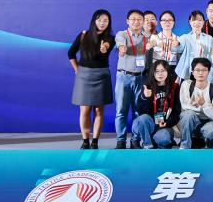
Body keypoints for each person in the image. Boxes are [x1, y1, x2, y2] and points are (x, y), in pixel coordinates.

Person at [69, 9, 115, 149]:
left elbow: (106, 47)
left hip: (101, 76)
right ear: (94, 21)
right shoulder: (83, 35)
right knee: (84, 110)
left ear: (109, 23)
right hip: (84, 76)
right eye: (100, 20)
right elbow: (71, 53)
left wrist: (104, 48)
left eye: (105, 21)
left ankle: (95, 141)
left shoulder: (110, 38)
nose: (102, 23)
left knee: (99, 111)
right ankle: (85, 141)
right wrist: (77, 69)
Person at [113, 9, 147, 149]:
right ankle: (121, 141)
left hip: (140, 78)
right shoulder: (122, 34)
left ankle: (135, 140)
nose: (136, 22)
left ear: (143, 21)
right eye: (133, 19)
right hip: (124, 77)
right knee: (121, 110)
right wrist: (122, 48)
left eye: (139, 19)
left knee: (138, 111)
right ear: (127, 21)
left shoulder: (147, 37)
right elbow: (120, 43)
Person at [132, 60, 180, 149]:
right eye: (157, 71)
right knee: (142, 119)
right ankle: (148, 144)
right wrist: (145, 97)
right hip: (150, 124)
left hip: (165, 125)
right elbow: (141, 112)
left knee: (164, 139)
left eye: (163, 71)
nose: (160, 74)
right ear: (153, 73)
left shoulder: (174, 87)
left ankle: (157, 141)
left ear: (168, 71)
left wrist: (167, 123)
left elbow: (177, 111)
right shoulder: (148, 87)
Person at [177, 58, 213, 149]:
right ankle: (184, 146)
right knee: (188, 115)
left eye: (204, 70)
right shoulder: (186, 85)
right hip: (192, 120)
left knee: (212, 129)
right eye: (197, 70)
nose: (200, 73)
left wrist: (204, 104)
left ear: (209, 72)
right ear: (192, 72)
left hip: (209, 120)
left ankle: (208, 146)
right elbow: (185, 107)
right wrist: (205, 108)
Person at [176, 10, 213, 82]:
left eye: (200, 20)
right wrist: (175, 44)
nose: (197, 22)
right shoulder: (185, 37)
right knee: (188, 88)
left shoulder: (209, 38)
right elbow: (177, 48)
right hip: (189, 71)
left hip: (204, 71)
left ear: (203, 22)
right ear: (190, 22)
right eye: (194, 20)